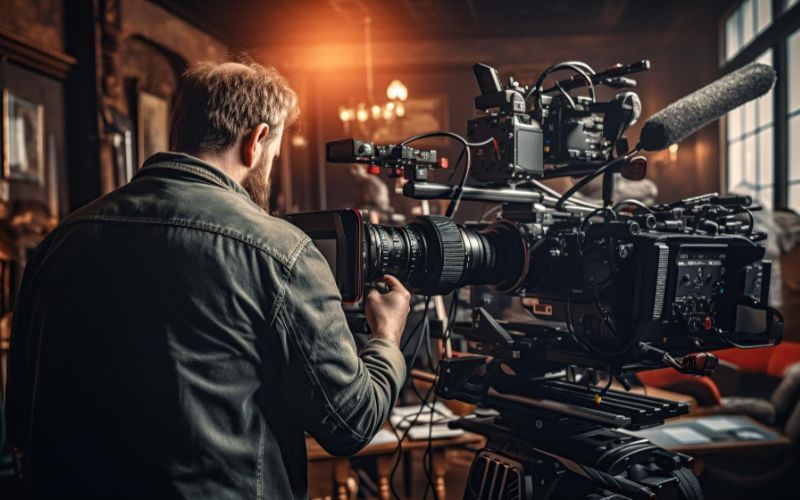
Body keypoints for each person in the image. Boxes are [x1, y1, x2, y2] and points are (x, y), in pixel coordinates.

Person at [5, 55, 411, 499]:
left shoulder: (61, 239)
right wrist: (386, 337)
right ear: (255, 142)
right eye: (273, 157)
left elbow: (23, 419)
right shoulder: (279, 250)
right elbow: (351, 423)